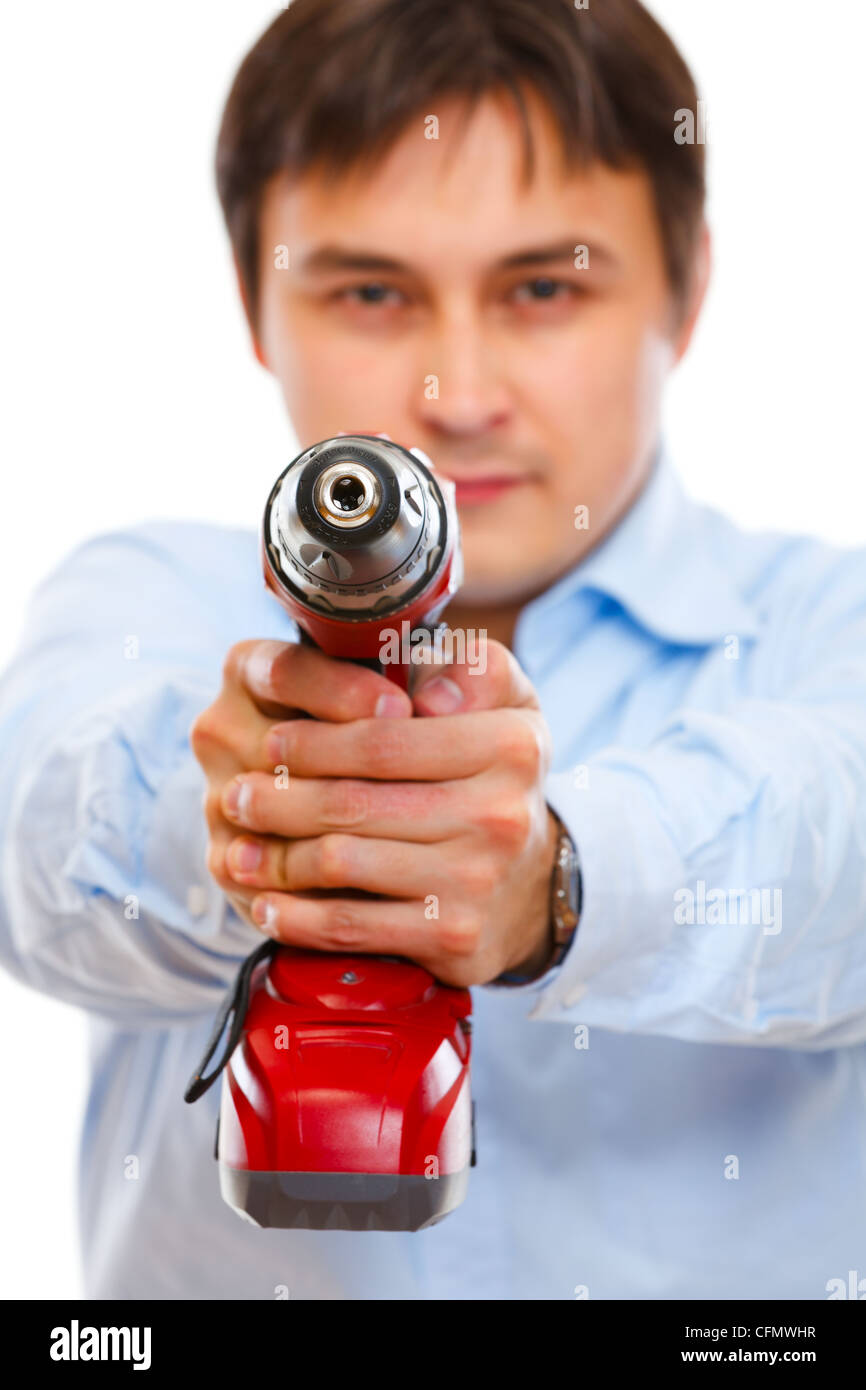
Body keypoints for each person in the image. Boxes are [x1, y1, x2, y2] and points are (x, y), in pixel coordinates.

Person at [1, 0, 864, 1301]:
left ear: (686, 292)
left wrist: (555, 881)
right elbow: (33, 839)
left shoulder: (825, 626)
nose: (456, 394)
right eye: (369, 291)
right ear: (251, 304)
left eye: (541, 287)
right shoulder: (151, 593)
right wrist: (241, 814)